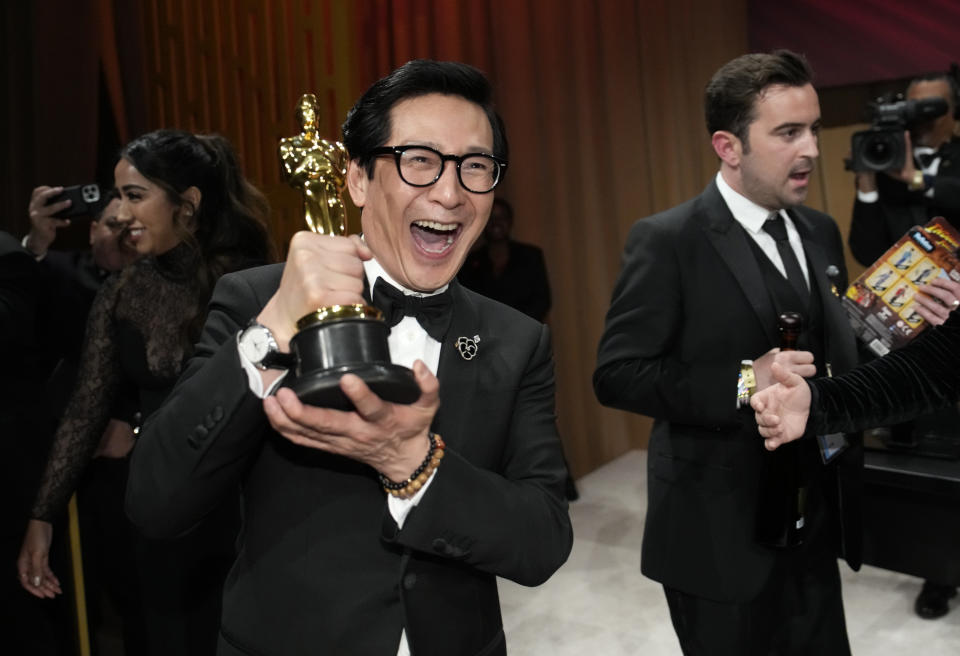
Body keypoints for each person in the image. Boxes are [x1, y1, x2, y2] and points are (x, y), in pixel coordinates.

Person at [124, 60, 573, 656]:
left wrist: (415, 463)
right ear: (358, 179)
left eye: (475, 167)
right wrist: (272, 332)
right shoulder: (257, 300)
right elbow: (156, 501)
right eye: (420, 159)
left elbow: (542, 541)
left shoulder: (517, 341)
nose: (450, 191)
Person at [594, 51, 863, 655]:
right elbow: (617, 375)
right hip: (716, 536)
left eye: (814, 129)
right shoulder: (667, 240)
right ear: (728, 145)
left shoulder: (820, 230)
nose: (813, 149)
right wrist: (748, 378)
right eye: (789, 132)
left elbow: (837, 355)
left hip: (815, 520)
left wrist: (906, 324)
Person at [17, 129, 273, 656]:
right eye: (117, 195)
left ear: (187, 203)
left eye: (135, 195)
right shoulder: (122, 292)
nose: (120, 211)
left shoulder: (250, 282)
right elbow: (85, 410)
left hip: (246, 516)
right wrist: (42, 517)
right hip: (163, 517)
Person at [848, 71, 960, 619]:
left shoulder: (944, 166)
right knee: (918, 456)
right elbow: (867, 246)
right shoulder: (888, 161)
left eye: (928, 106)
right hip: (903, 334)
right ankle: (937, 573)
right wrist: (869, 182)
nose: (917, 118)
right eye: (909, 108)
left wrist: (916, 180)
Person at [849, 72, 960, 267]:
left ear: (954, 111)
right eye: (915, 107)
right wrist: (867, 183)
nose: (922, 116)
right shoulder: (886, 168)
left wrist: (917, 178)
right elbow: (867, 254)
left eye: (932, 107)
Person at [458, 197, 552, 322]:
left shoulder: (531, 256)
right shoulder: (469, 262)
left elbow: (542, 300)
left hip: (527, 333)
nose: (496, 222)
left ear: (510, 221)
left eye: (502, 217)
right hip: (488, 336)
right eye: (491, 217)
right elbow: (467, 304)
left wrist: (515, 328)